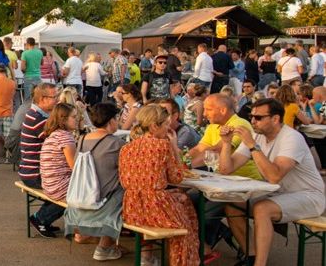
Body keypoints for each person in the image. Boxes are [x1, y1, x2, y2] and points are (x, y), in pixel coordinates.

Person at [218, 99, 326, 266]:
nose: (253, 121)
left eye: (258, 117)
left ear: (275, 119)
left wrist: (253, 145)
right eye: (251, 116)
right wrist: (226, 143)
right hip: (279, 193)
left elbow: (274, 176)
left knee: (262, 209)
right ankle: (251, 255)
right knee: (231, 202)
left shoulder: (292, 138)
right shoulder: (256, 136)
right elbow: (226, 169)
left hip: (309, 195)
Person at [120, 104, 200, 266]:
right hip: (154, 206)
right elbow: (177, 177)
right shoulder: (163, 146)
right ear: (154, 126)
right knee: (186, 227)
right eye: (165, 124)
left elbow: (124, 180)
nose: (168, 128)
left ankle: (148, 257)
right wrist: (173, 144)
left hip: (132, 207)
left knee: (182, 198)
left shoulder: (126, 148)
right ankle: (185, 261)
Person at [63, 103, 126, 261]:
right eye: (117, 119)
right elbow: (128, 171)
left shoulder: (83, 139)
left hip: (82, 196)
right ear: (111, 120)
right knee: (125, 192)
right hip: (104, 202)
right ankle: (105, 246)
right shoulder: (116, 143)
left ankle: (101, 241)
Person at [19, 83, 62, 237]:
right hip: (35, 173)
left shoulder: (36, 115)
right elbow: (61, 141)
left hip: (30, 171)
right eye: (54, 97)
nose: (57, 100)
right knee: (68, 189)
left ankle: (44, 218)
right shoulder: (39, 120)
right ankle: (41, 219)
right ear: (43, 99)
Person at [188, 94, 262, 179]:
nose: (204, 114)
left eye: (208, 110)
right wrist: (183, 159)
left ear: (223, 110)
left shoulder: (239, 123)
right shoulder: (212, 126)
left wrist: (187, 165)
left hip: (246, 182)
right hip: (224, 181)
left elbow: (217, 150)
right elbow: (198, 149)